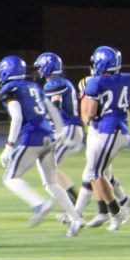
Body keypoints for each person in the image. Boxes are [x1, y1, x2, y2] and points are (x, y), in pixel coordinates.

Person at [0, 56, 85, 237]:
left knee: (11, 178)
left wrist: (9, 146)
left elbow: (17, 117)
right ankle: (76, 218)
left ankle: (39, 204)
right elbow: (50, 109)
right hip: (48, 135)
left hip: (32, 136)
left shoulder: (9, 89)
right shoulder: (33, 86)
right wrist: (58, 131)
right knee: (51, 183)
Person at [77, 46, 130, 231]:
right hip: (121, 132)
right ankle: (120, 203)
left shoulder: (94, 83)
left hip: (108, 132)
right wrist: (125, 104)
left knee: (93, 173)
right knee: (101, 172)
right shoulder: (128, 79)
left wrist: (86, 114)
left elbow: (88, 115)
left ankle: (116, 213)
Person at [33, 52, 84, 208]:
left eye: (41, 67)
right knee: (49, 168)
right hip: (70, 129)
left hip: (67, 130)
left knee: (47, 172)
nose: (39, 70)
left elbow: (56, 102)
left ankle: (74, 207)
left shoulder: (54, 83)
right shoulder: (61, 82)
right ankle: (74, 199)